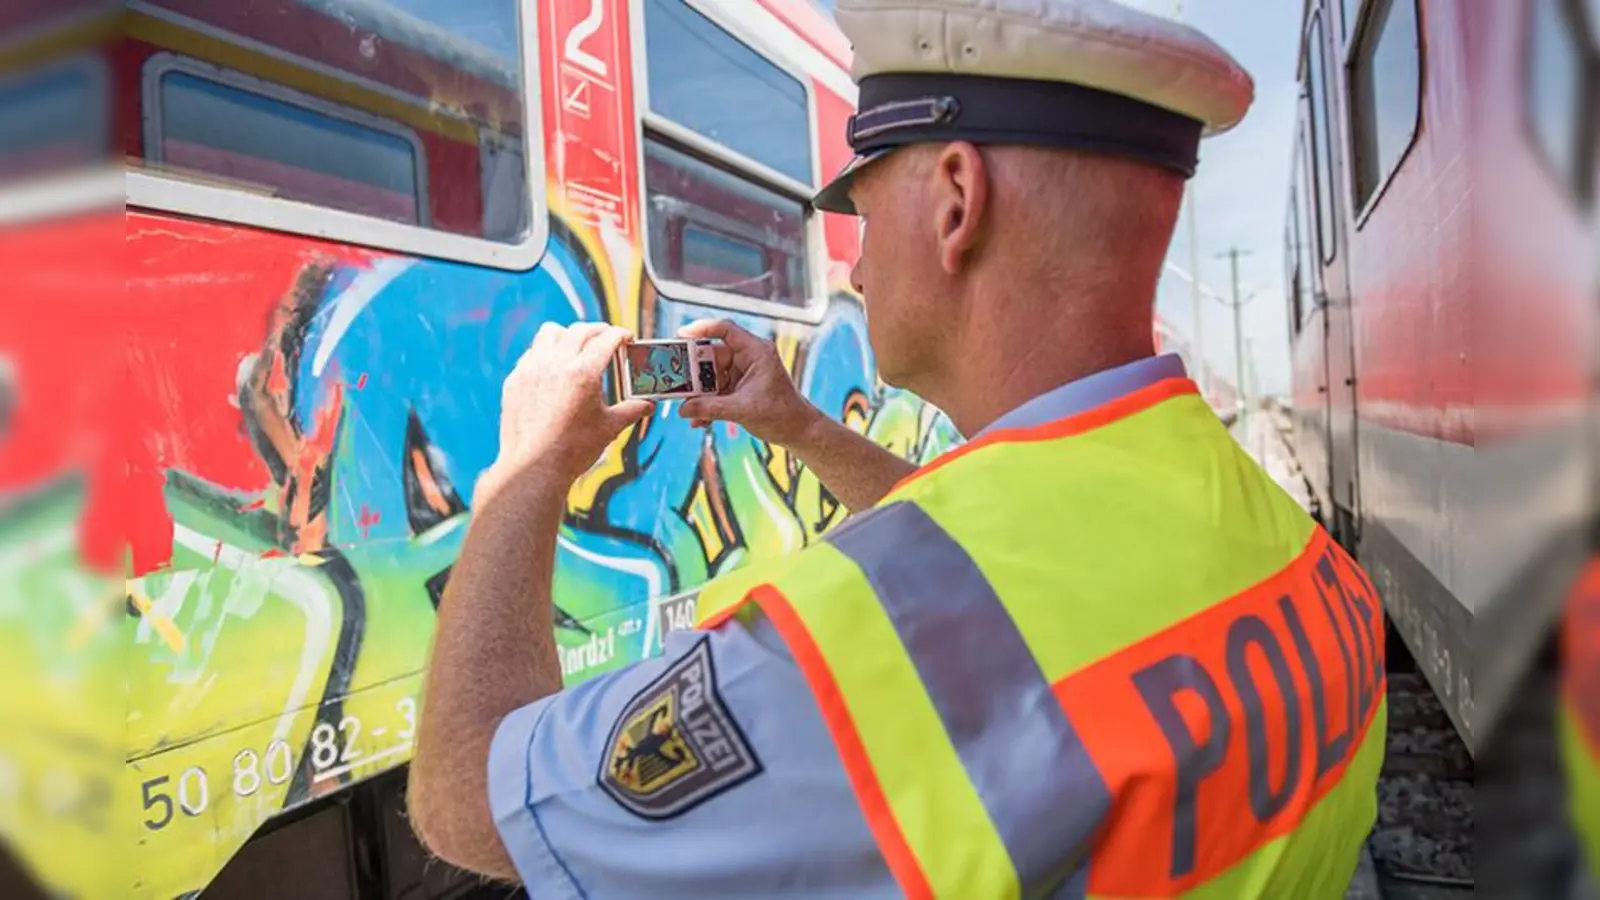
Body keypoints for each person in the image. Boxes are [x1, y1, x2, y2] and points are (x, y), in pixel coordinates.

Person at [406, 0, 1388, 896]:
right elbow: (992, 565)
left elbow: (464, 795)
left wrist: (526, 468)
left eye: (866, 218)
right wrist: (797, 425)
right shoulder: (1293, 552)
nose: (861, 270)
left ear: (957, 201)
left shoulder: (838, 660)